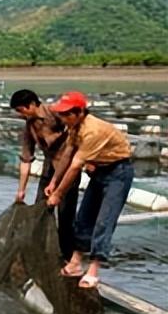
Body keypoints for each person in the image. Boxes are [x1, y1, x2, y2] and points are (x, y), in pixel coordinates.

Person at [46, 91, 134, 288]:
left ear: (80, 112)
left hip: (118, 173)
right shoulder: (74, 127)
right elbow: (67, 154)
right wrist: (53, 182)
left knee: (104, 220)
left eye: (67, 114)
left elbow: (76, 165)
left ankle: (94, 268)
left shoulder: (93, 130)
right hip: (99, 171)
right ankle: (75, 262)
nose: (63, 118)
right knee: (84, 216)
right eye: (61, 113)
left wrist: (59, 194)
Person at [9, 89, 80, 262]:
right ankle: (38, 251)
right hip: (49, 170)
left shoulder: (55, 113)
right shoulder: (29, 126)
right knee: (41, 209)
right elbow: (26, 159)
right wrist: (21, 190)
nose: (20, 114)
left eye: (21, 110)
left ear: (32, 105)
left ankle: (67, 256)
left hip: (68, 169)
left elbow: (77, 131)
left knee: (65, 215)